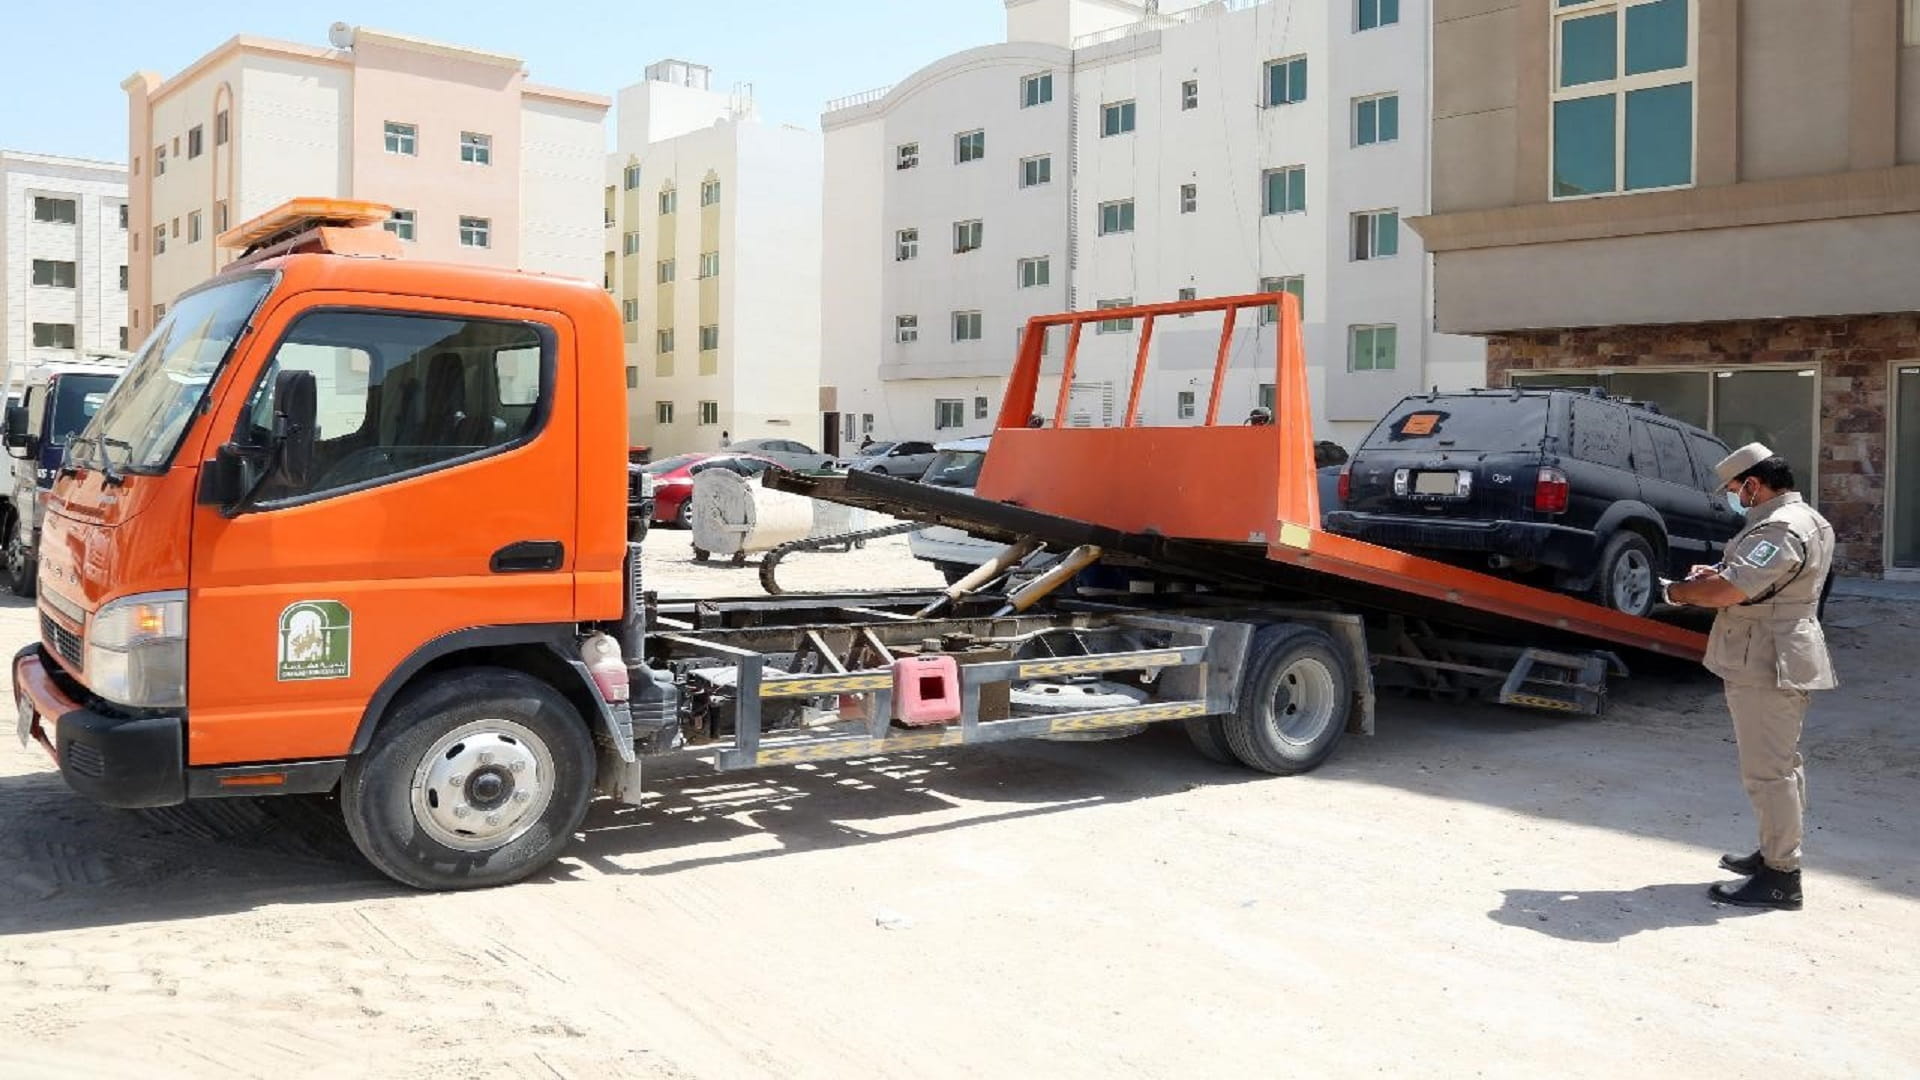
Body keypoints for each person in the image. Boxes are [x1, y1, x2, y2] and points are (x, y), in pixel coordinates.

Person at [1664, 443, 1835, 912]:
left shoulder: (1779, 528)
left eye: (1737, 489)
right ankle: (1773, 853)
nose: (1735, 497)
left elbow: (1730, 591)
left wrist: (1680, 592)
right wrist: (1717, 575)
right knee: (1782, 766)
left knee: (1768, 772)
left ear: (1755, 484)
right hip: (1776, 651)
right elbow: (1758, 581)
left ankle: (1781, 877)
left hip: (1766, 659)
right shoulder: (1805, 520)